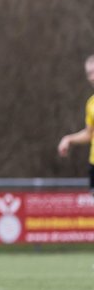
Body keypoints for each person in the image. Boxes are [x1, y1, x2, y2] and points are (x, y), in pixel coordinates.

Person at [56, 53, 94, 196]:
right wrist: (68, 139)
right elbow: (89, 134)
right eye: (89, 73)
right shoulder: (91, 104)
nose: (91, 77)